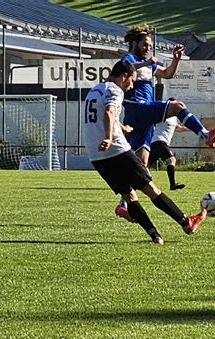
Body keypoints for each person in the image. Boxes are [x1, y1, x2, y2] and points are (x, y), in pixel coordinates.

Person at [83, 60, 207, 245]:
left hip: (96, 155)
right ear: (123, 76)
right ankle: (186, 222)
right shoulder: (115, 90)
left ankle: (155, 236)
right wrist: (109, 138)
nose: (131, 86)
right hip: (116, 149)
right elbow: (109, 112)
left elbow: (105, 115)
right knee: (151, 189)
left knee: (129, 196)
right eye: (131, 81)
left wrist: (122, 127)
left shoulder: (94, 90)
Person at [115, 24, 215, 220]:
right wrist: (147, 63)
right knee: (177, 106)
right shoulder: (130, 59)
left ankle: (123, 205)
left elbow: (168, 74)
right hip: (137, 109)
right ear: (135, 43)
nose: (148, 47)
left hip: (142, 116)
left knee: (141, 164)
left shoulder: (147, 64)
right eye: (145, 44)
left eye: (150, 45)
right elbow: (126, 69)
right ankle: (206, 135)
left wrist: (176, 59)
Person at [148, 116, 186, 190]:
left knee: (145, 165)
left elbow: (178, 128)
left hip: (156, 143)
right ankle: (173, 184)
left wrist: (193, 129)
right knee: (171, 160)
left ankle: (135, 183)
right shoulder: (163, 114)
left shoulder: (174, 118)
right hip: (160, 142)